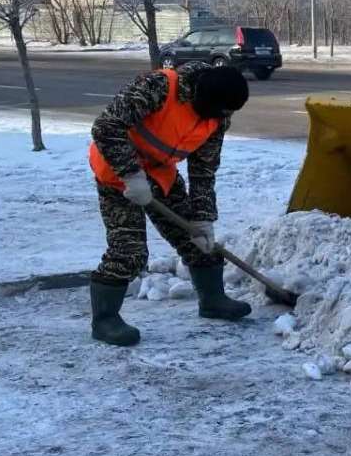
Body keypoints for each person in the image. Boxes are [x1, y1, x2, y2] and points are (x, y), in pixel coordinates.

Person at [86, 62, 252, 346]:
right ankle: (105, 321)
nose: (219, 119)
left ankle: (213, 300)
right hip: (117, 176)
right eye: (216, 112)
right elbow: (106, 126)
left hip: (161, 175)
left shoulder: (218, 114)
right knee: (129, 251)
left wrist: (203, 217)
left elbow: (204, 170)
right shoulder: (158, 88)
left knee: (199, 239)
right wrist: (131, 174)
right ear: (201, 96)